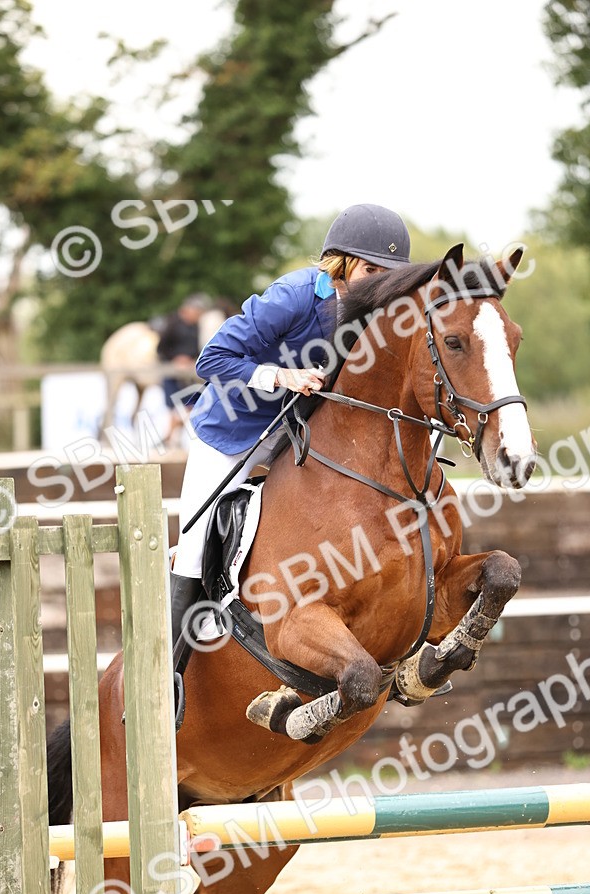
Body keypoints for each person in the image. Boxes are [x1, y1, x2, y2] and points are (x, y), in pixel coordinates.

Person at [169, 203, 412, 687]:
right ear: (340, 264)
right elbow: (212, 357)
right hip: (232, 435)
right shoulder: (296, 295)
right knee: (195, 548)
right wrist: (281, 375)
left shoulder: (378, 314)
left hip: (296, 438)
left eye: (387, 275)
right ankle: (166, 675)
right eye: (369, 270)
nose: (376, 284)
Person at [156, 293, 213, 439]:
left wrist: (191, 359)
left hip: (189, 374)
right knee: (175, 407)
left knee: (189, 405)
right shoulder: (172, 324)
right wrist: (176, 358)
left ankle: (170, 437)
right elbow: (161, 349)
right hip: (172, 372)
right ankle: (169, 437)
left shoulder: (196, 327)